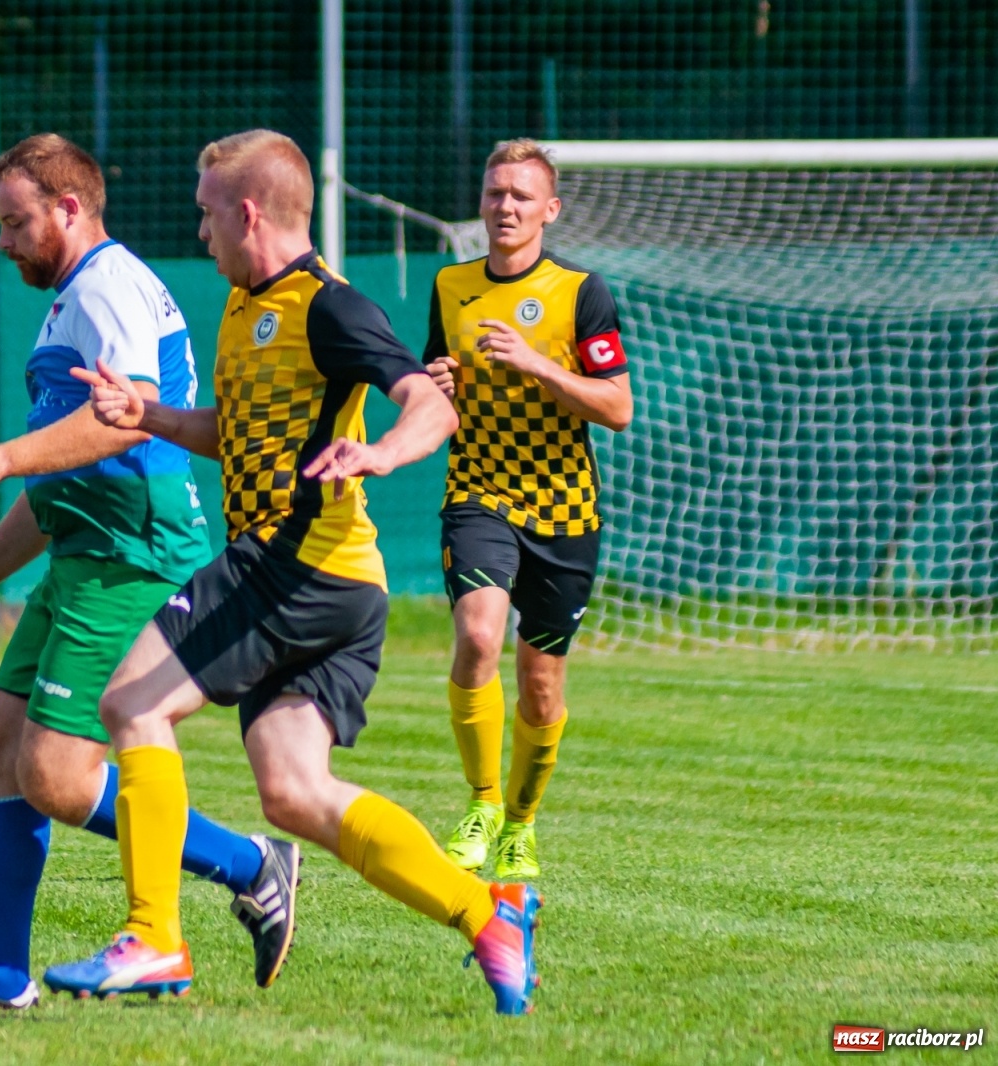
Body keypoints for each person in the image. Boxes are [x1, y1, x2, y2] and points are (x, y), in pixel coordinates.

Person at [43, 129, 542, 1015]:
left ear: (248, 214)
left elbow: (429, 406)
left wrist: (381, 453)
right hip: (340, 586)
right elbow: (233, 433)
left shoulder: (328, 306)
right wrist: (145, 415)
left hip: (294, 564)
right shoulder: (244, 306)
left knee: (130, 706)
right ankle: (486, 916)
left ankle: (154, 937)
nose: (199, 232)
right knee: (293, 792)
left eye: (206, 214)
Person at [0, 134, 299, 1010]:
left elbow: (126, 419)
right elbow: (61, 481)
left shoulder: (107, 285)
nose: (3, 241)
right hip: (85, 552)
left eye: (16, 222)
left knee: (55, 775)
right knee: (2, 749)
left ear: (69, 209)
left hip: (132, 554)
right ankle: (1, 980)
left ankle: (252, 864)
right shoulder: (73, 298)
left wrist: (2, 455)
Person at [424, 138, 634, 881]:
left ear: (551, 210)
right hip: (479, 492)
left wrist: (538, 363)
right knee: (479, 635)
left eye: (520, 195)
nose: (505, 206)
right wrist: (436, 383)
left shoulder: (581, 293)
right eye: (495, 193)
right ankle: (482, 804)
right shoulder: (450, 284)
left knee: (542, 685)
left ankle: (520, 823)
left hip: (565, 511)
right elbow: (435, 383)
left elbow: (618, 407)